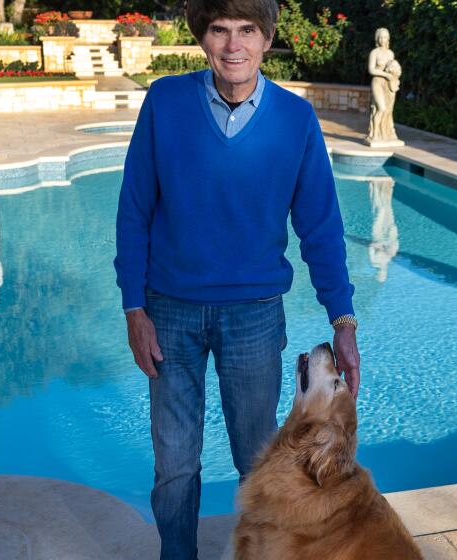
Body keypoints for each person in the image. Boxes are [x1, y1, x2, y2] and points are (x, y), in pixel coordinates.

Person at [113, 0, 360, 557]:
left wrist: (341, 319)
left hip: (254, 316)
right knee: (174, 465)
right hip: (168, 312)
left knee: (261, 459)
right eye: (220, 30)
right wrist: (134, 308)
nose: (233, 46)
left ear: (267, 39)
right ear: (203, 37)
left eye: (247, 30)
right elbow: (134, 210)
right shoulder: (165, 102)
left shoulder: (296, 121)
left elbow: (320, 227)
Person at [367, 27, 400, 143]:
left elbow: (394, 68)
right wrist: (386, 75)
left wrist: (394, 76)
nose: (382, 39)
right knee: (381, 108)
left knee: (388, 110)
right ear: (377, 38)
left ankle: (386, 134)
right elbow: (371, 70)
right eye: (380, 37)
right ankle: (375, 135)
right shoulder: (374, 53)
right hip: (377, 82)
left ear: (388, 38)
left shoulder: (391, 53)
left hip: (389, 84)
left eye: (385, 37)